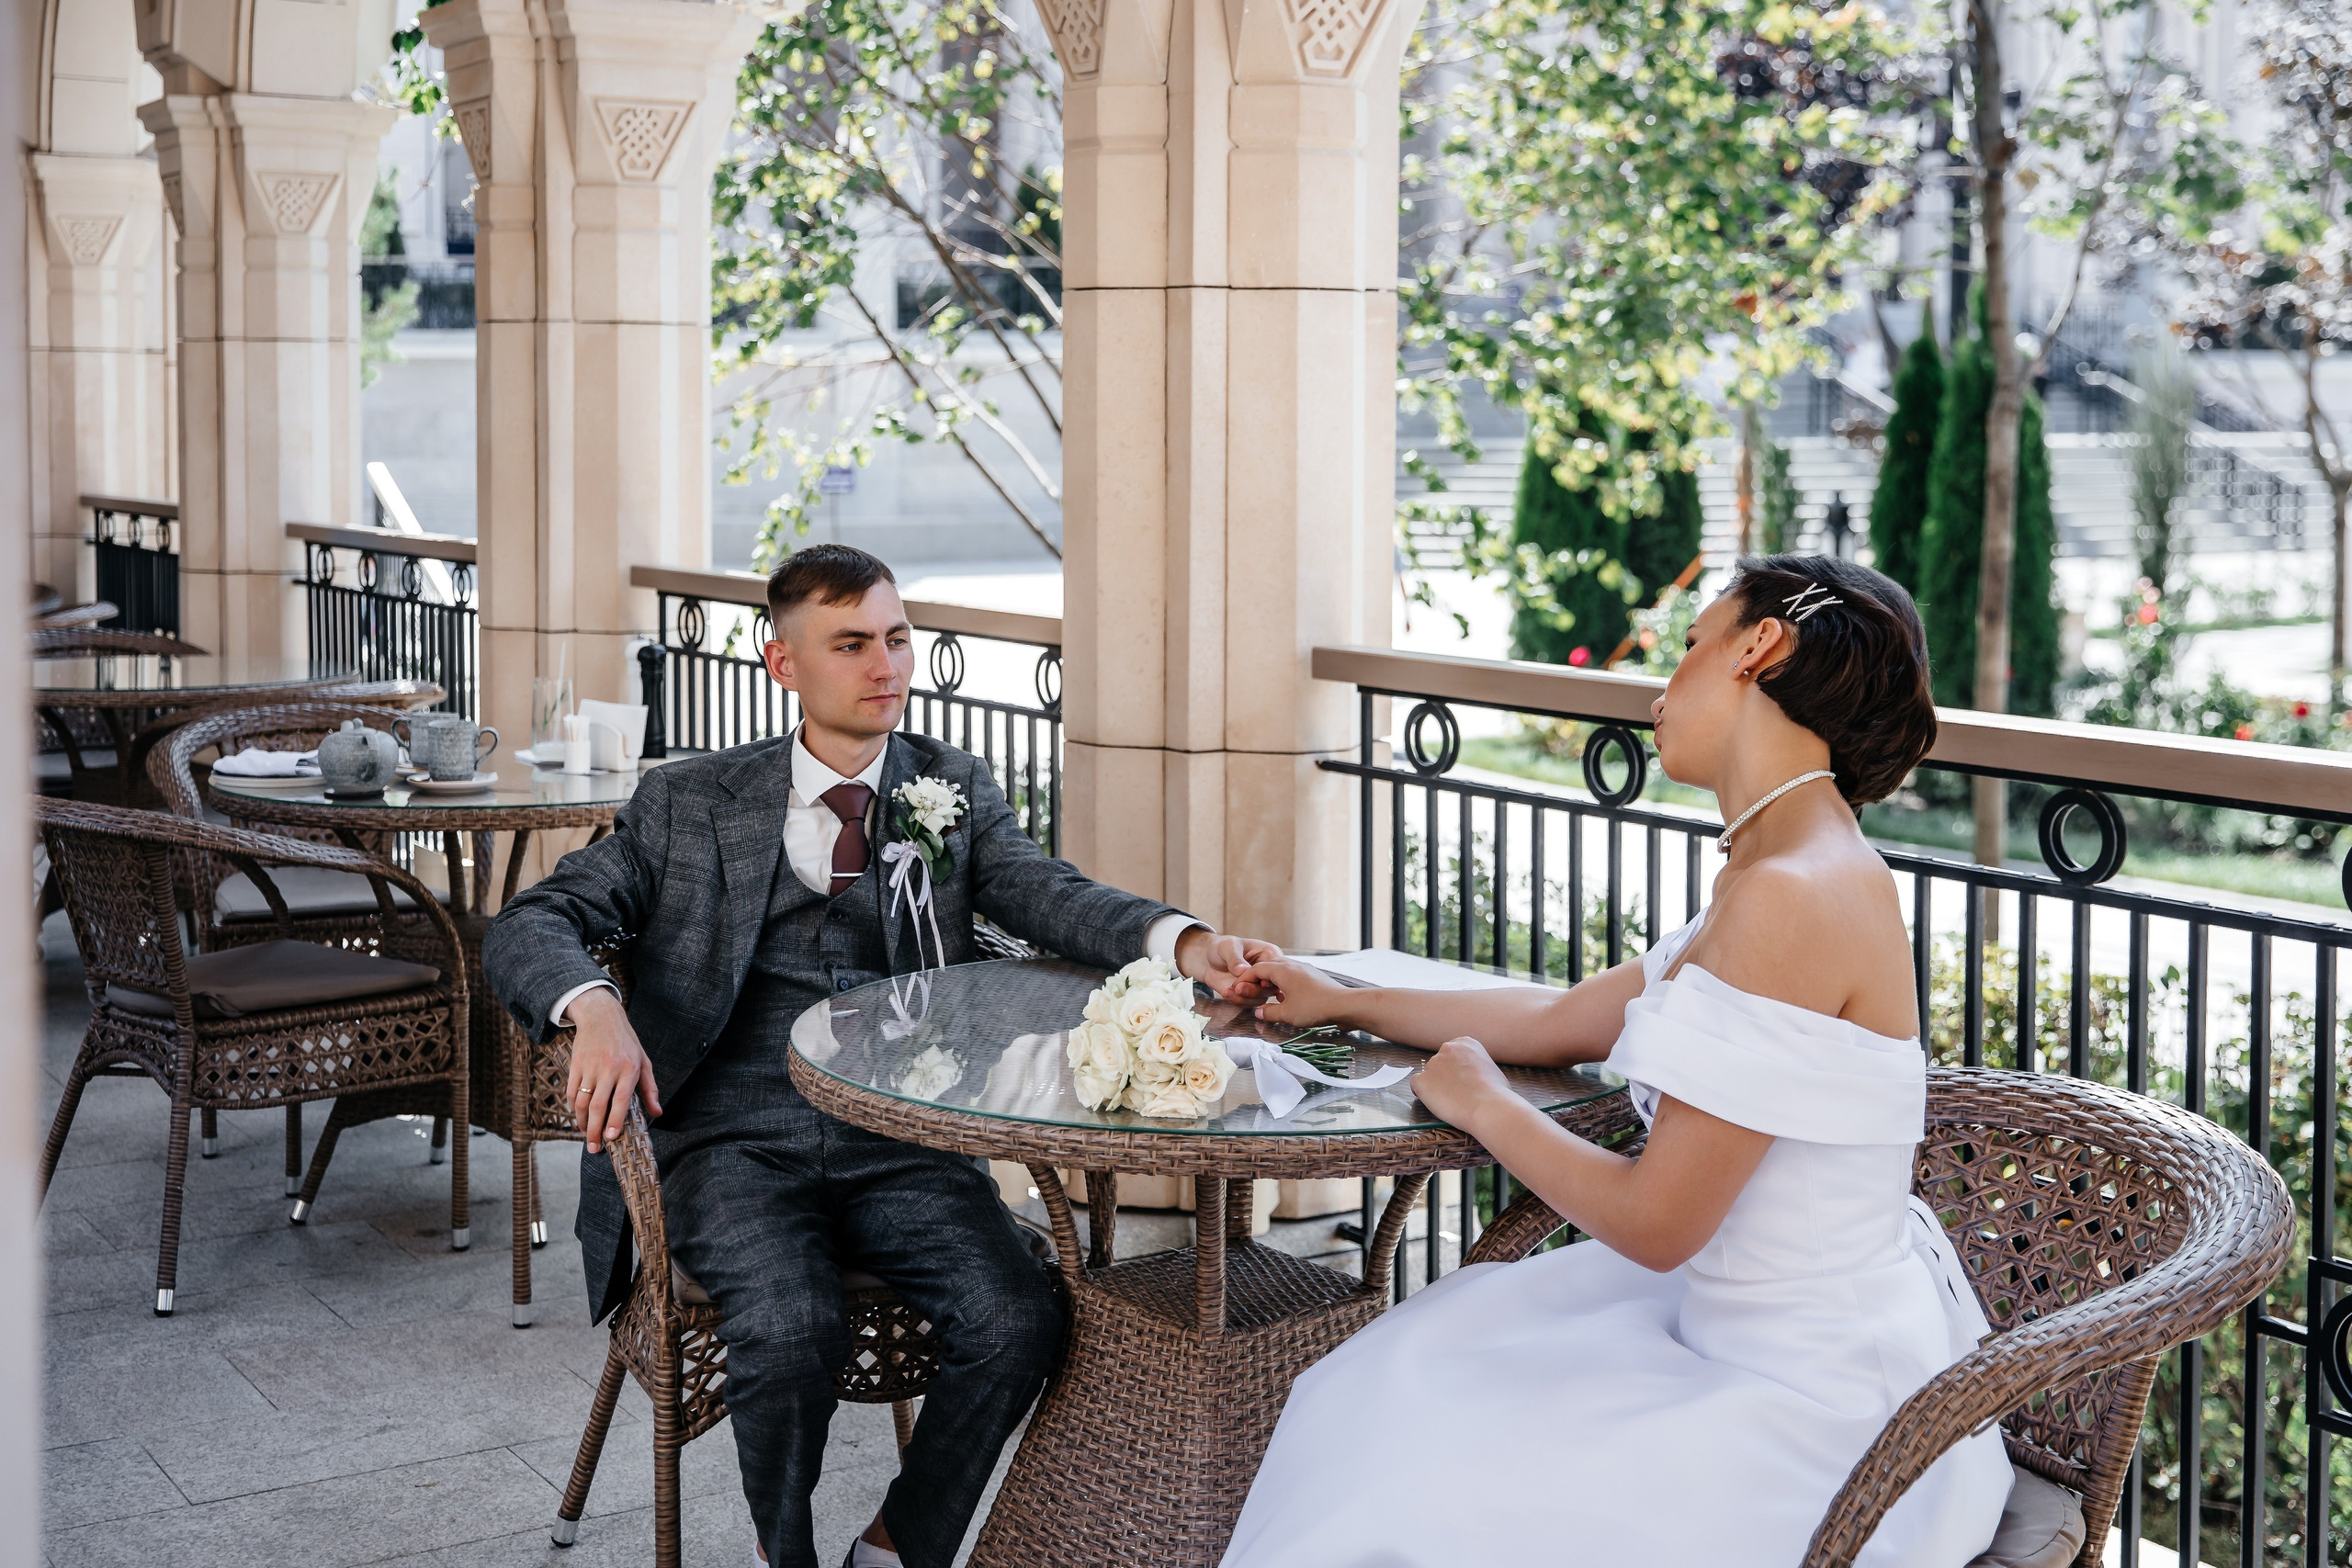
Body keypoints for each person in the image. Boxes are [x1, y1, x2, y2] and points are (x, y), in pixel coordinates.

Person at [482, 545, 1282, 1568]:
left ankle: (899, 1546)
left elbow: (1051, 893)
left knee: (1016, 1315)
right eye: (851, 644)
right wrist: (592, 1005)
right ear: (784, 665)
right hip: (729, 1134)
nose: (885, 665)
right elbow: (537, 919)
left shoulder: (949, 785)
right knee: (786, 1327)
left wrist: (1189, 944)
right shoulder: (688, 803)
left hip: (901, 1127)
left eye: (897, 638)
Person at [1220, 555, 2012, 1567]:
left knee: (1412, 1481)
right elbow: (1560, 1018)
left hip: (1817, 1407)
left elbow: (1658, 1222)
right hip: (1720, 1326)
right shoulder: (1772, 866)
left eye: (1689, 645)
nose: (1659, 684)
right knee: (1380, 1384)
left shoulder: (1794, 893)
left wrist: (1483, 1106)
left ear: (1758, 647)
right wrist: (1341, 997)